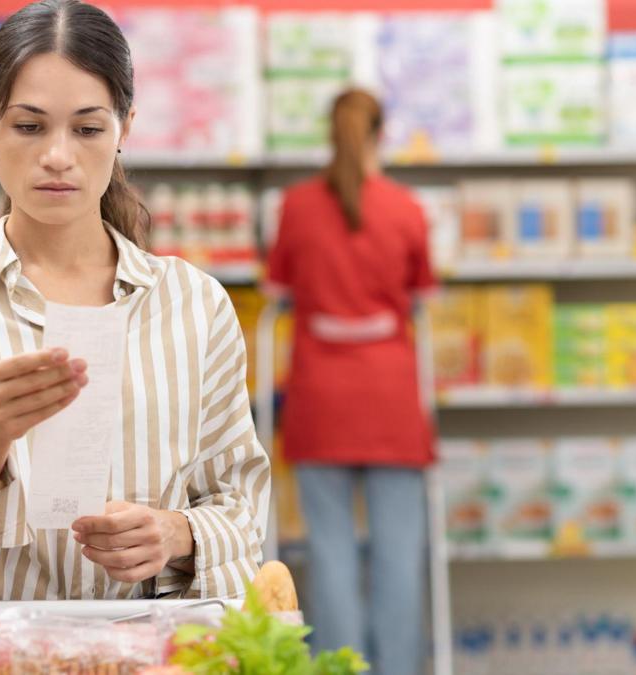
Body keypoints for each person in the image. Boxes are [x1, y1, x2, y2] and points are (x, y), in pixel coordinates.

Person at [0, 0, 271, 602]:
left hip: (152, 648)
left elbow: (241, 503)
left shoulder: (195, 305)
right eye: (29, 126)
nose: (58, 156)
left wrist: (177, 532)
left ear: (125, 127)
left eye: (87, 128)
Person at [263, 89, 437, 675]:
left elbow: (275, 291)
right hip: (390, 396)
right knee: (399, 552)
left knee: (330, 550)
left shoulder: (296, 206)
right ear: (379, 136)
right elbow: (422, 294)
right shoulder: (406, 207)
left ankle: (342, 667)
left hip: (322, 395)